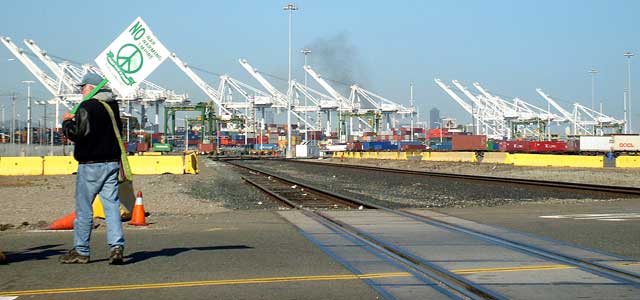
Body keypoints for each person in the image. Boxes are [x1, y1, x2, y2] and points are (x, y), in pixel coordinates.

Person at [59, 72, 125, 265]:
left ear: (91, 87)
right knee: (111, 206)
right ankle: (116, 246)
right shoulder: (112, 106)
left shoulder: (86, 106)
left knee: (84, 208)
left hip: (91, 164)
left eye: (83, 87)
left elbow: (78, 134)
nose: (81, 91)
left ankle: (81, 250)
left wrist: (67, 122)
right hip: (112, 162)